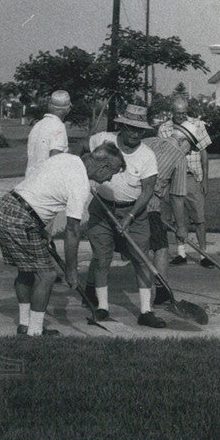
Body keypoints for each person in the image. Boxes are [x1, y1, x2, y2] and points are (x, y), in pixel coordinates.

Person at [0, 142, 124, 336]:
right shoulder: (80, 183)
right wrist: (71, 270)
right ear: (103, 167)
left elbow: (42, 188)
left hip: (7, 206)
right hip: (22, 217)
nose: (108, 180)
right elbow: (72, 230)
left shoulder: (66, 158)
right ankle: (35, 332)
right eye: (111, 174)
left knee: (27, 270)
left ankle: (24, 325)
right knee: (46, 275)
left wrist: (41, 228)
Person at [84, 103, 164, 327]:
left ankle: (146, 311)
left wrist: (129, 217)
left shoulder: (147, 155)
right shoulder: (103, 139)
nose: (135, 133)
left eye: (140, 130)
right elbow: (80, 152)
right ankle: (102, 308)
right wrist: (84, 175)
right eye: (131, 128)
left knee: (141, 259)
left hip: (134, 212)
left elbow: (148, 190)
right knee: (101, 258)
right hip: (102, 208)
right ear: (122, 126)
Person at [142, 109, 210, 305]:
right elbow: (177, 197)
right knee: (161, 248)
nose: (189, 153)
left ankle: (93, 292)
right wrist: (181, 228)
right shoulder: (179, 157)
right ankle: (161, 294)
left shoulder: (148, 142)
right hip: (148, 206)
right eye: (190, 147)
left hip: (128, 200)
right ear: (182, 141)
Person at [157, 95, 212, 266]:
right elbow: (162, 154)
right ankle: (181, 254)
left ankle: (204, 255)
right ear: (171, 111)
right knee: (177, 217)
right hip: (173, 177)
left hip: (191, 176)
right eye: (177, 113)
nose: (180, 116)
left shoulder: (197, 125)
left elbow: (204, 153)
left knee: (199, 217)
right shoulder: (164, 128)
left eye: (183, 112)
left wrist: (205, 179)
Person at [25, 90, 72, 179]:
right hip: (46, 184)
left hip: (30, 181)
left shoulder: (38, 125)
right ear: (67, 109)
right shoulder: (58, 126)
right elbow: (55, 156)